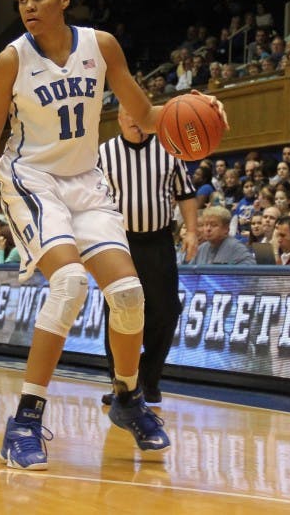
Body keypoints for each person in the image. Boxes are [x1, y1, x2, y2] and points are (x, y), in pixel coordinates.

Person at [0, 0, 227, 469]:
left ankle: (128, 398)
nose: (28, 7)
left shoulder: (101, 45)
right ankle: (24, 419)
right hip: (31, 179)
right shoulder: (11, 60)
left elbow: (151, 116)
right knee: (68, 285)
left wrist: (204, 109)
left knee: (130, 295)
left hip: (86, 181)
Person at [98, 106, 199, 405]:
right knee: (119, 311)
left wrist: (191, 230)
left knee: (167, 311)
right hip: (118, 243)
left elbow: (186, 193)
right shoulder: (103, 154)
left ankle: (149, 380)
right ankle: (123, 385)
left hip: (158, 241)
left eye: (142, 117)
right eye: (131, 117)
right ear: (120, 119)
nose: (137, 123)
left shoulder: (170, 148)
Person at [191, 206, 256, 265]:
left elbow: (251, 271)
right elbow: (188, 274)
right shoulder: (201, 248)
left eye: (213, 225)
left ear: (226, 229)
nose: (208, 229)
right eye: (205, 225)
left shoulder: (236, 248)